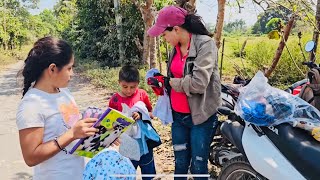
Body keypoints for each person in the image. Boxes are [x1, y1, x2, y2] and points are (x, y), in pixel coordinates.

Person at [147, 5, 221, 179]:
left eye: (164, 34)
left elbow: (198, 83)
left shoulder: (205, 44)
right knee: (180, 163)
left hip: (200, 118)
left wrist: (170, 82)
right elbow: (177, 78)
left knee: (198, 165)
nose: (163, 38)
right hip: (178, 117)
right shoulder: (176, 47)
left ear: (176, 29)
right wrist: (161, 83)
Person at [16, 37, 99, 180]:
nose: (72, 74)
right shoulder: (31, 105)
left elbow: (73, 129)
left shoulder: (64, 92)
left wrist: (100, 131)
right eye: (69, 68)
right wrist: (71, 134)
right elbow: (31, 157)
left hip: (78, 174)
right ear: (52, 69)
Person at [108, 65, 157, 180]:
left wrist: (141, 115)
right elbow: (109, 121)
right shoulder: (115, 100)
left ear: (138, 84)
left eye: (133, 87)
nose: (129, 91)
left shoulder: (142, 95)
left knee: (148, 172)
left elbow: (151, 114)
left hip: (144, 142)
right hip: (127, 143)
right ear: (119, 82)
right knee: (128, 172)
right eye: (125, 87)